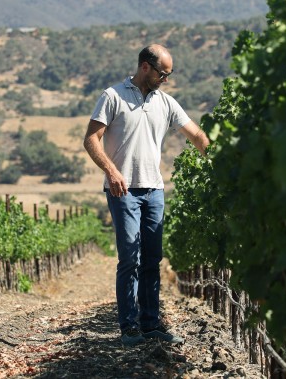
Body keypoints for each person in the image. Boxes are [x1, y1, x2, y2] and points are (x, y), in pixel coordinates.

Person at [83, 44, 209, 347]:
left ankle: (151, 325)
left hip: (154, 190)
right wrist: (112, 172)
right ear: (144, 67)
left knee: (152, 259)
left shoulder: (166, 102)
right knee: (130, 258)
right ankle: (129, 328)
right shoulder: (113, 96)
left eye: (168, 74)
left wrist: (219, 159)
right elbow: (90, 139)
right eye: (162, 73)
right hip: (122, 189)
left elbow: (197, 136)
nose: (165, 79)